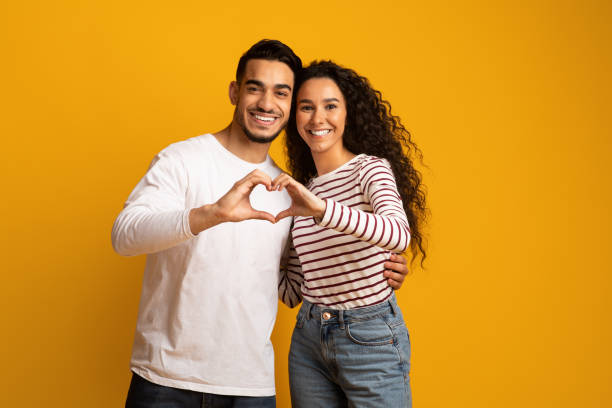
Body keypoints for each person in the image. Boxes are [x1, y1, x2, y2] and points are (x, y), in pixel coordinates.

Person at [112, 40, 410, 408]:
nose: (267, 103)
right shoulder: (183, 159)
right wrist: (212, 214)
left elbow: (291, 284)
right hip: (167, 379)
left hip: (250, 386)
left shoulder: (291, 192)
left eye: (281, 93)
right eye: (255, 88)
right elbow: (124, 236)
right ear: (235, 92)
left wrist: (373, 266)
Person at [276, 60, 427, 407]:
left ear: (348, 114)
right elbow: (291, 292)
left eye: (330, 106)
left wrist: (322, 210)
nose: (318, 119)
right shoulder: (303, 191)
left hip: (370, 337)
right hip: (308, 342)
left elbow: (398, 233)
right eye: (306, 107)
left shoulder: (369, 170)